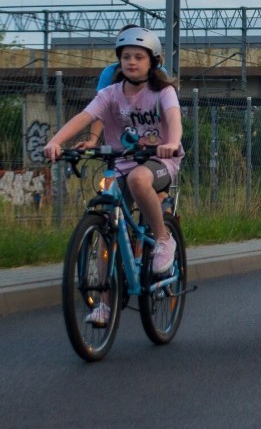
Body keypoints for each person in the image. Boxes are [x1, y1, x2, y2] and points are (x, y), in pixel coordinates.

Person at [43, 27, 183, 324]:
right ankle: (105, 305)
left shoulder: (163, 91)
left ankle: (162, 239)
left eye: (139, 57)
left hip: (159, 160)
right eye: (126, 57)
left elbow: (173, 119)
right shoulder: (110, 94)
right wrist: (56, 141)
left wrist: (172, 143)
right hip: (121, 162)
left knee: (138, 180)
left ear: (153, 62)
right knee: (107, 216)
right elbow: (84, 117)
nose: (132, 62)